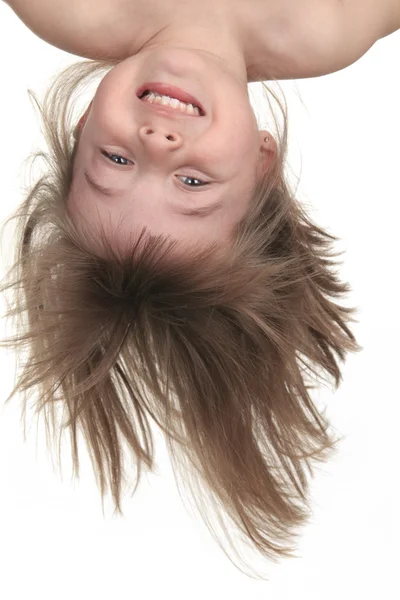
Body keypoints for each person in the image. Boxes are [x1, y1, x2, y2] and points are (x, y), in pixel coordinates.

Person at [1, 0, 399, 579]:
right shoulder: (325, 30)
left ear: (84, 122)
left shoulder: (72, 10)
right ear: (263, 164)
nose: (158, 141)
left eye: (115, 159)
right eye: (191, 183)